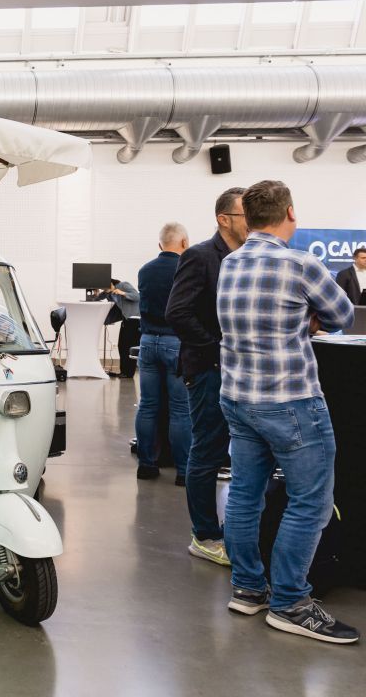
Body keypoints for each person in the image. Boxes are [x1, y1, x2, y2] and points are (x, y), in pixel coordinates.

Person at [217, 180, 358, 643]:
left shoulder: (231, 262)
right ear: (290, 213)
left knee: (244, 496)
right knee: (310, 501)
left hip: (238, 398)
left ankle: (247, 589)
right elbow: (343, 316)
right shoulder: (301, 264)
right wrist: (309, 318)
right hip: (291, 402)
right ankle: (290, 603)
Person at [166, 186, 247, 566]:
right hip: (209, 370)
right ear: (224, 219)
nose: (254, 222)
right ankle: (205, 535)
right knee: (208, 451)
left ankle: (237, 532)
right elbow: (177, 312)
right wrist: (217, 347)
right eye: (246, 214)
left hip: (243, 371)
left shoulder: (248, 257)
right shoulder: (199, 256)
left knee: (241, 453)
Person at [134, 223, 192, 483]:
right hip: (175, 343)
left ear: (160, 244)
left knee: (147, 406)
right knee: (180, 409)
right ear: (184, 243)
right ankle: (183, 472)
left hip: (147, 342)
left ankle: (146, 465)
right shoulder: (186, 269)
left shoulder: (145, 270)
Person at [102, 277, 140, 377]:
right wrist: (97, 294)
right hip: (126, 320)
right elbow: (97, 299)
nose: (104, 290)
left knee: (128, 346)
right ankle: (124, 372)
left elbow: (137, 296)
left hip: (135, 319)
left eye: (105, 288)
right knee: (122, 346)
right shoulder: (110, 293)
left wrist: (122, 293)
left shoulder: (123, 285)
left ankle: (129, 373)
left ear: (111, 283)